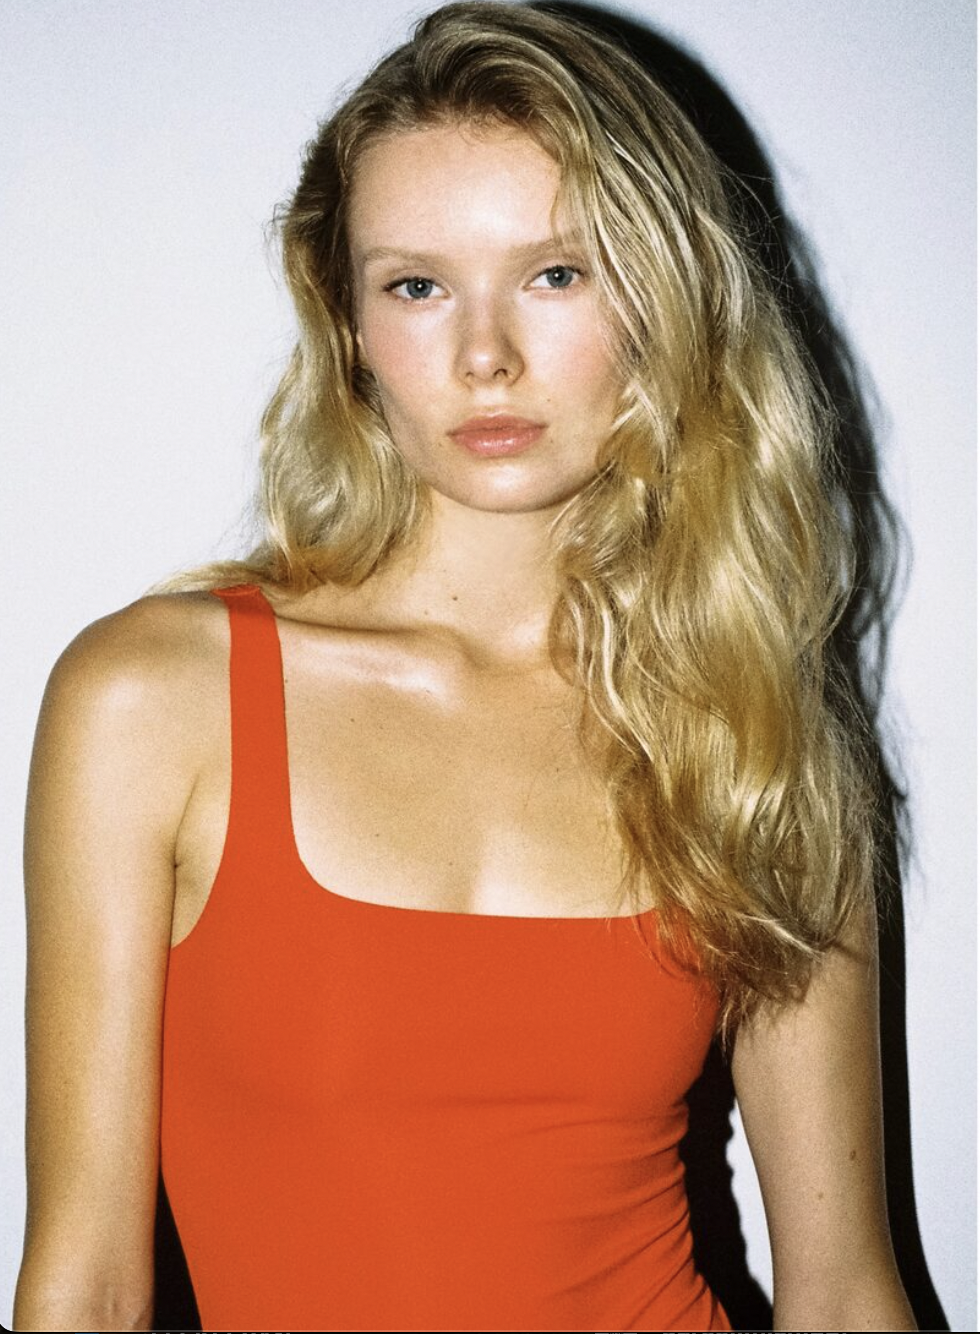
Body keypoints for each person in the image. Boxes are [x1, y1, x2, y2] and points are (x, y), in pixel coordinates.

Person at [14, 2, 915, 1330]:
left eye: (557, 274)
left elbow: (842, 1292)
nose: (485, 356)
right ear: (349, 326)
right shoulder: (152, 701)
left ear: (663, 297)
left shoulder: (752, 727)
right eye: (418, 286)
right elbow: (86, 1286)